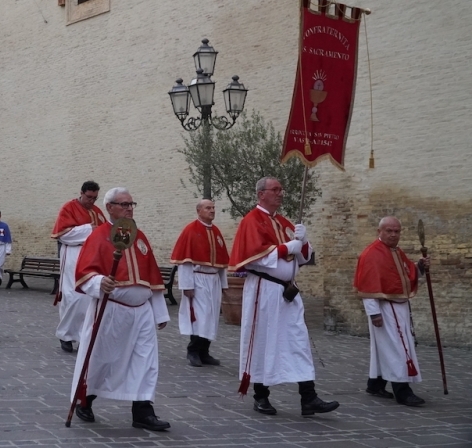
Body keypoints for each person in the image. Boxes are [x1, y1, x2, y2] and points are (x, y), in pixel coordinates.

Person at [229, 176, 339, 417]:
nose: (281, 193)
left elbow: (304, 257)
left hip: (287, 291)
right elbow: (254, 257)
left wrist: (303, 239)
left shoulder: (284, 222)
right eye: (275, 189)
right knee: (263, 340)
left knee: (298, 339)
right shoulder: (252, 220)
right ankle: (261, 396)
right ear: (261, 194)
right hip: (264, 290)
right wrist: (288, 247)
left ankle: (308, 397)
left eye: (282, 189)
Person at [70, 187, 170, 431]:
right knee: (102, 359)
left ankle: (143, 412)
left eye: (131, 203)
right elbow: (85, 272)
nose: (129, 207)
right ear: (110, 208)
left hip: (142, 311)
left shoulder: (140, 237)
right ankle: (86, 399)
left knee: (145, 361)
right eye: (123, 204)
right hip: (111, 308)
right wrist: (98, 282)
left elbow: (152, 277)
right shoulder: (99, 236)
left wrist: (159, 312)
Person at [354, 216, 430, 407]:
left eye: (397, 231)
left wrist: (420, 267)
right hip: (385, 308)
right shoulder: (371, 254)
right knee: (398, 349)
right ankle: (403, 391)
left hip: (399, 307)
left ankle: (376, 384)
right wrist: (374, 313)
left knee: (386, 348)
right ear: (379, 231)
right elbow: (367, 286)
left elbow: (407, 273)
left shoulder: (396, 252)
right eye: (389, 231)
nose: (393, 234)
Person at [170, 199, 229, 367]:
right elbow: (185, 261)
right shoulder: (190, 230)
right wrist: (187, 286)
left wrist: (224, 285)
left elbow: (222, 263)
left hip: (213, 281)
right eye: (208, 208)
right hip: (198, 280)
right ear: (199, 211)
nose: (212, 210)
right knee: (200, 317)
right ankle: (193, 351)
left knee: (211, 318)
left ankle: (205, 351)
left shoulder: (216, 232)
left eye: (213, 208)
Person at [52, 181, 107, 353]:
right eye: (89, 197)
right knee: (73, 296)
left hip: (92, 258)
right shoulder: (69, 208)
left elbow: (104, 232)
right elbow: (63, 235)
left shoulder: (97, 212)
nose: (91, 201)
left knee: (88, 297)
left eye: (95, 198)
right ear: (81, 193)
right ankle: (65, 335)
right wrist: (89, 230)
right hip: (73, 255)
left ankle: (85, 335)